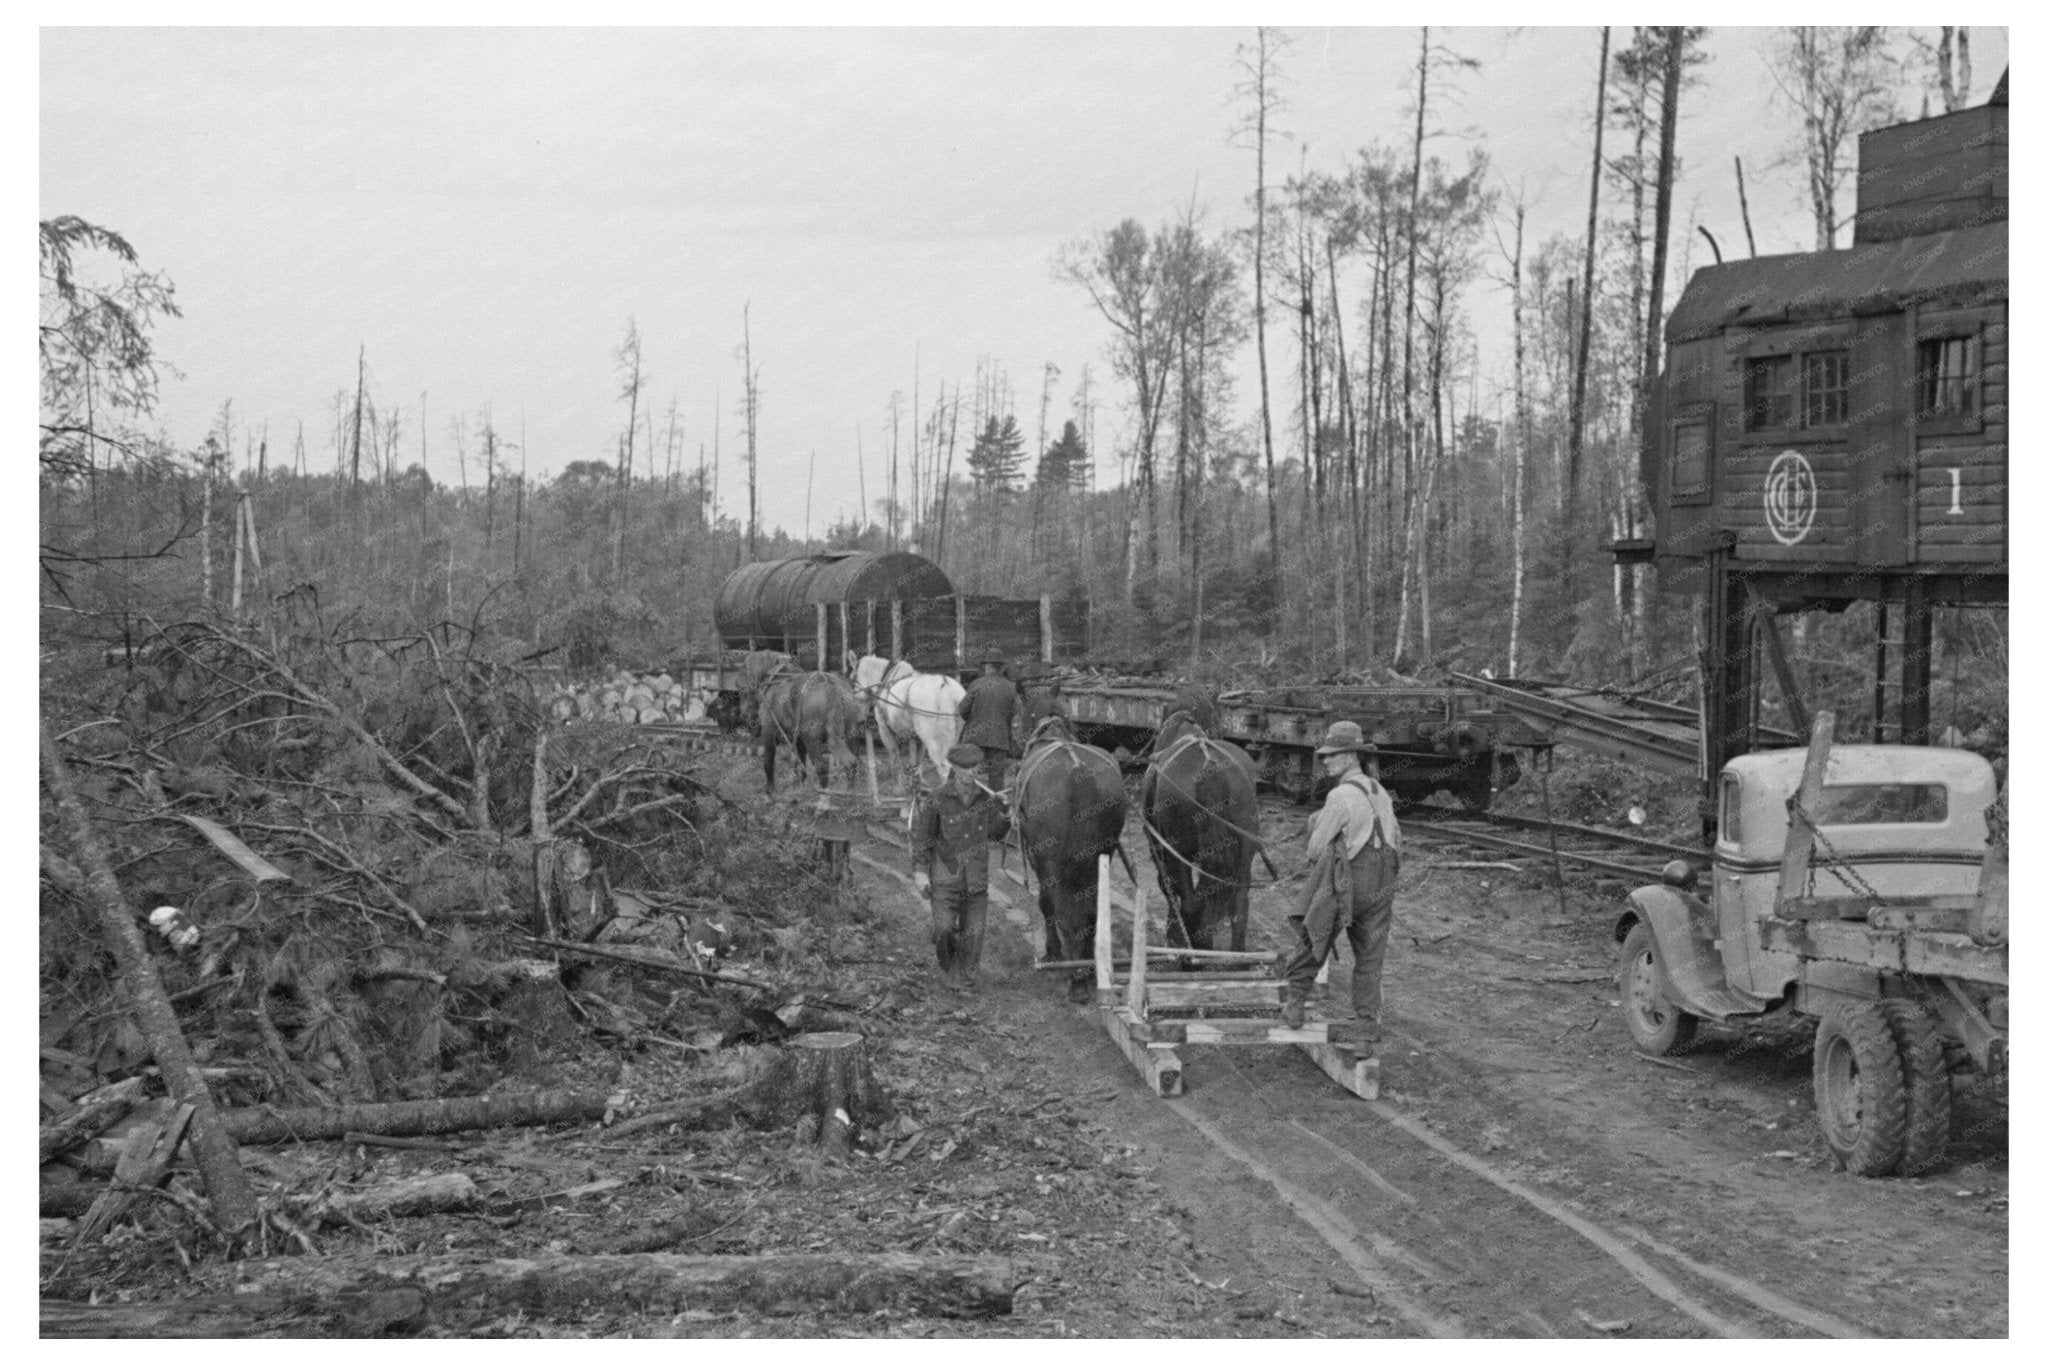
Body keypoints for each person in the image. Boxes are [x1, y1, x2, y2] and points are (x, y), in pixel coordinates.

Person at [1279, 720, 1401, 1052]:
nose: (1326, 762)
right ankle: (1364, 1031)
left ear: (1350, 756)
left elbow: (1316, 850)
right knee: (1370, 959)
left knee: (1314, 933)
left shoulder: (1339, 794)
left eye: (1331, 756)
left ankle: (1294, 1004)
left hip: (1349, 880)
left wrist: (1318, 826)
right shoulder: (1381, 792)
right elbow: (1396, 840)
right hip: (1382, 880)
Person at [910, 743, 1012, 986]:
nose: (969, 774)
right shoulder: (937, 799)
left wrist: (1005, 815)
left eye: (974, 768)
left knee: (974, 934)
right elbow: (922, 837)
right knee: (944, 930)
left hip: (975, 879)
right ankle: (949, 965)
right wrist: (921, 872)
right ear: (954, 768)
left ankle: (964, 979)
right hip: (945, 878)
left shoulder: (986, 799)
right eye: (964, 768)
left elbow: (995, 835)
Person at [957, 646, 1023, 791]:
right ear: (1000, 668)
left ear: (988, 666)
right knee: (996, 779)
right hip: (999, 739)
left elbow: (962, 710)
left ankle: (969, 805)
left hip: (975, 737)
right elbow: (1016, 716)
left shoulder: (976, 684)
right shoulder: (1011, 688)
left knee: (968, 775)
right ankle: (995, 808)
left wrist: (973, 718)